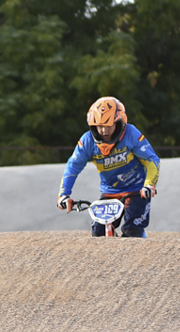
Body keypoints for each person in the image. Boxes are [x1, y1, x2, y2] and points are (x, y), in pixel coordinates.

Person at [57, 97, 160, 237]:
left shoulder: (131, 133)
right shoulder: (87, 141)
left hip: (136, 190)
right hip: (110, 193)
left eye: (108, 125)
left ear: (119, 123)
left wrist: (149, 185)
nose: (104, 130)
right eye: (99, 126)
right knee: (98, 233)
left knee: (132, 230)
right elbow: (72, 167)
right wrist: (64, 195)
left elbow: (151, 160)